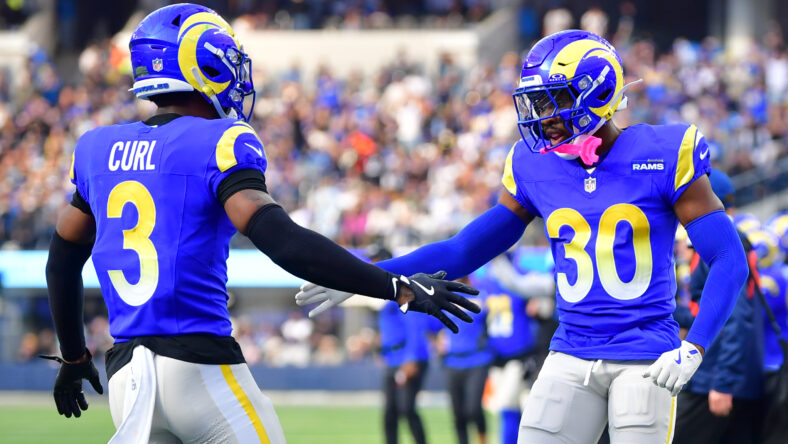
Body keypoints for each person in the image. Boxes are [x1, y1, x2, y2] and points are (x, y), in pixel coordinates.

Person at [42, 4, 480, 443]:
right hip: (199, 369)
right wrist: (397, 287)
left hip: (126, 380)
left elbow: (61, 260)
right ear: (201, 63)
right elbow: (282, 241)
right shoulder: (218, 140)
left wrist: (75, 358)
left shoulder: (97, 148)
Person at [297, 29, 749, 443]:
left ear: (599, 92)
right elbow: (462, 250)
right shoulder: (535, 165)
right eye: (537, 103)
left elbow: (728, 256)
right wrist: (360, 275)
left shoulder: (662, 152)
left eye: (555, 100)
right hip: (570, 350)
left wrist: (696, 346)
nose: (543, 116)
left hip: (645, 354)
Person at [672, 169, 766, 444]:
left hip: (717, 381)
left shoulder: (718, 246)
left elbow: (735, 319)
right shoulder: (734, 239)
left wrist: (723, 383)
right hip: (730, 377)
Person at [370, 245, 432, 444]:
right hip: (392, 358)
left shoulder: (401, 287)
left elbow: (414, 324)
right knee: (390, 411)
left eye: (376, 259)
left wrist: (411, 358)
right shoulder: (383, 289)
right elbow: (388, 326)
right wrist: (380, 348)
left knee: (406, 408)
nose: (372, 264)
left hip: (408, 357)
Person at [438, 277, 492, 444]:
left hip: (477, 359)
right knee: (458, 414)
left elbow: (491, 324)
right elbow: (433, 326)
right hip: (453, 361)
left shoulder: (480, 295)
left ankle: (482, 439)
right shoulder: (444, 296)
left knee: (473, 409)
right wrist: (437, 342)